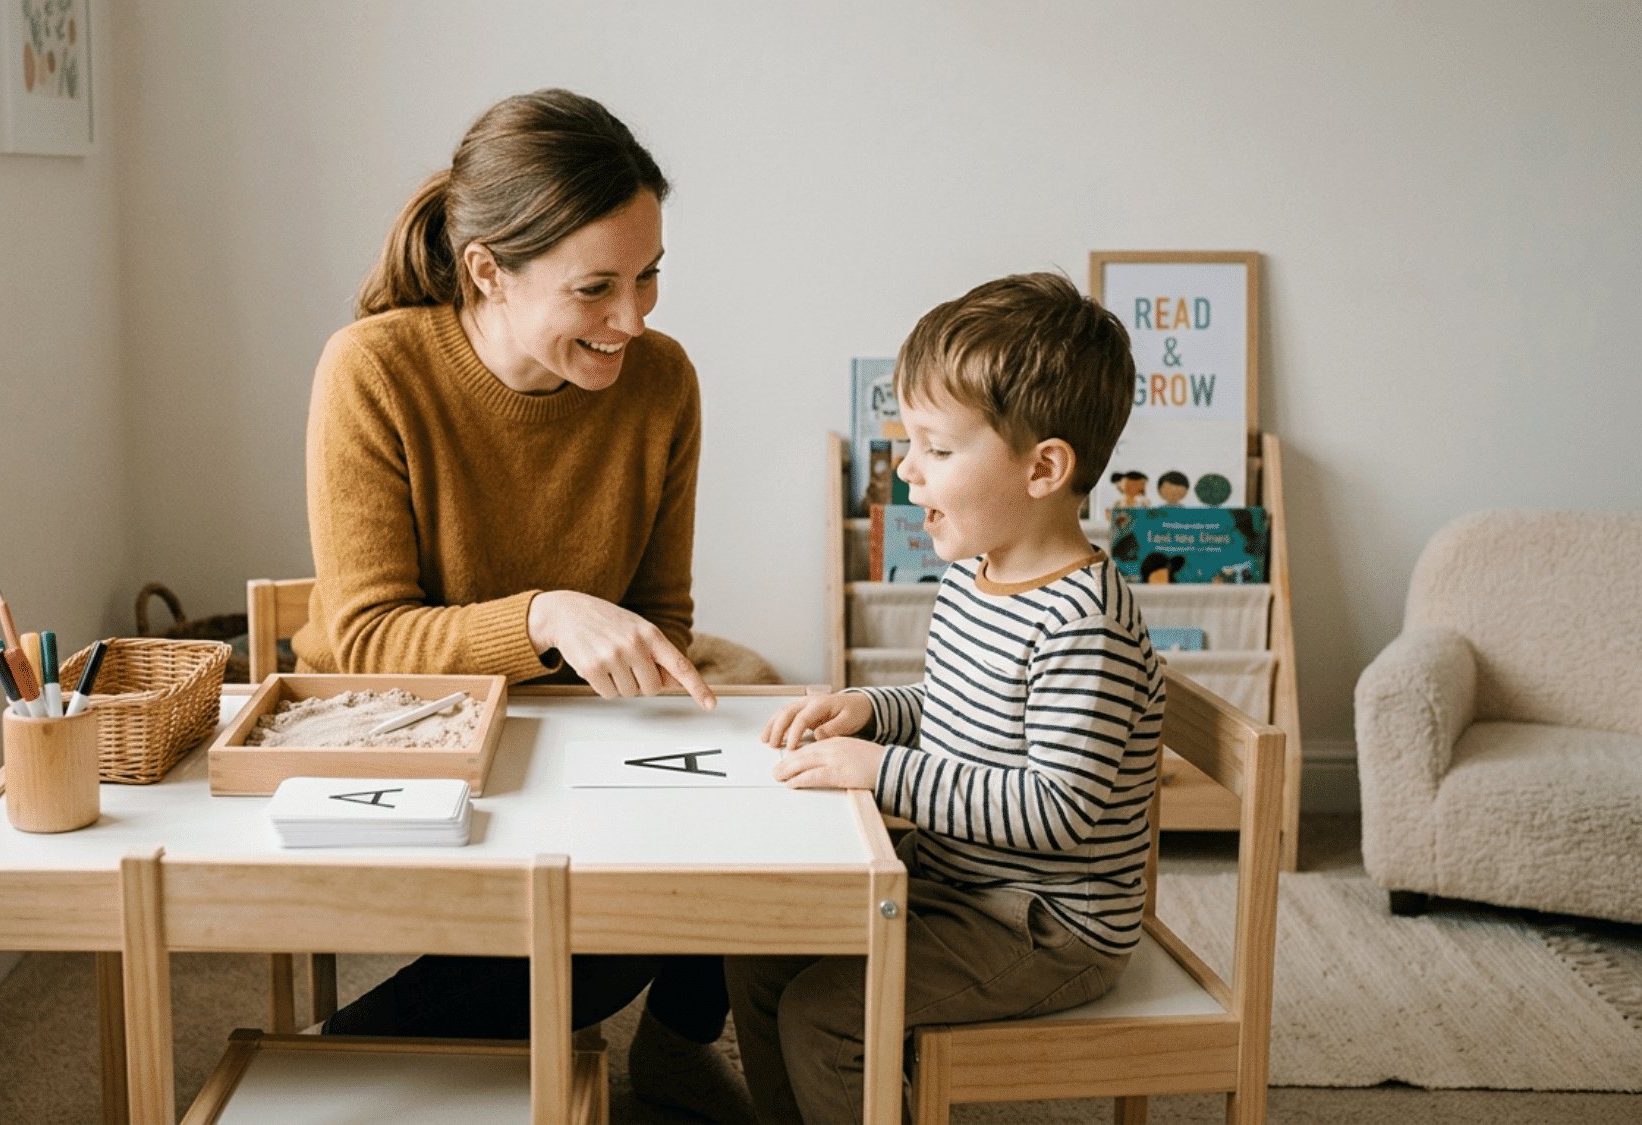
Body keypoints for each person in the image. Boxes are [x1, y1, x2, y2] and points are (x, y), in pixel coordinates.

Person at [297, 88, 752, 1122]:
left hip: (570, 735)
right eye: (595, 288)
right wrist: (545, 613)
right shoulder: (372, 370)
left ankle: (675, 1047)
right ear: (487, 274)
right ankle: (333, 1068)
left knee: (746, 834)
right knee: (619, 928)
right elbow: (365, 641)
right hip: (394, 738)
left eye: (648, 278)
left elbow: (659, 620)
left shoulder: (661, 382)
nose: (632, 318)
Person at [725, 273, 1166, 1124]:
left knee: (827, 1014)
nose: (906, 468)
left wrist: (883, 771)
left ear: (1043, 468)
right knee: (761, 950)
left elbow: (1055, 809)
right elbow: (956, 704)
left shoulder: (1084, 625)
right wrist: (870, 710)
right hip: (960, 887)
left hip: (1045, 925)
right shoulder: (974, 575)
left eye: (935, 448)